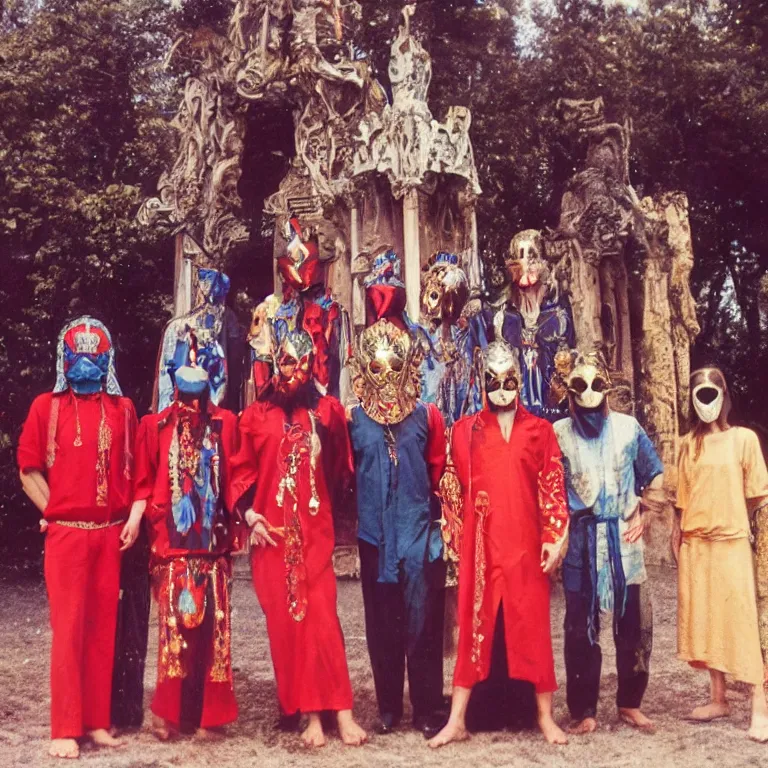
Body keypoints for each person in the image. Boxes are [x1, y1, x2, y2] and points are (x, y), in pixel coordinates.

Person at [428, 341, 569, 748]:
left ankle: (545, 716)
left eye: (510, 381)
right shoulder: (464, 430)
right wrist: (455, 541)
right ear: (483, 383)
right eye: (495, 382)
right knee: (475, 625)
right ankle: (457, 719)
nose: (503, 390)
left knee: (535, 626)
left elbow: (552, 484)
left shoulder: (540, 431)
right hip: (482, 544)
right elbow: (450, 485)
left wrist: (554, 536)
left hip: (526, 543)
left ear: (520, 381)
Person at [230, 328, 367, 748]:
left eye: (303, 364)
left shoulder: (327, 412)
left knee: (322, 617)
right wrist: (251, 516)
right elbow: (240, 472)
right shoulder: (254, 417)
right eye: (287, 363)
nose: (294, 372)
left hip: (314, 533)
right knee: (289, 625)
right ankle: (307, 714)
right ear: (274, 363)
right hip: (272, 539)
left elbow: (342, 471)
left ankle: (340, 712)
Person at [17, 316, 137, 759]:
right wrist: (52, 511)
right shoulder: (44, 408)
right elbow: (28, 468)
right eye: (78, 354)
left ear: (106, 359)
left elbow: (134, 471)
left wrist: (132, 518)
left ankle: (96, 721)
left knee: (103, 628)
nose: (85, 362)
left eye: (94, 355)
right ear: (63, 359)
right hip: (66, 536)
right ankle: (65, 727)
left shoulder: (123, 409)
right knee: (68, 629)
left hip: (109, 535)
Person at [347, 257, 448, 739]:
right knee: (381, 623)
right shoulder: (353, 420)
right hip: (374, 534)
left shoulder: (428, 417)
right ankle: (388, 706)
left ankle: (428, 708)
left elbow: (438, 472)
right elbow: (347, 472)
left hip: (416, 533)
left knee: (424, 623)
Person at [123, 356, 241, 740]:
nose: (191, 402)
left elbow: (235, 480)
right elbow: (143, 481)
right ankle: (167, 715)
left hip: (213, 544)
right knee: (175, 628)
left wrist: (244, 520)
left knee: (216, 629)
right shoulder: (154, 426)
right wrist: (136, 519)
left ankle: (210, 718)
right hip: (172, 544)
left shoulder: (226, 424)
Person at [554, 351, 664, 735]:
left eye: (596, 385)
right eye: (579, 386)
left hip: (623, 536)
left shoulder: (629, 427)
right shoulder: (558, 433)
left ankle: (630, 702)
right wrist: (558, 535)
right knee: (579, 627)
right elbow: (549, 490)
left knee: (633, 622)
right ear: (568, 392)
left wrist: (645, 515)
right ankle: (584, 709)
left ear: (607, 389)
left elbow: (655, 476)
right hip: (581, 539)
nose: (588, 394)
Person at [674, 366, 768, 742]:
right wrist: (678, 537)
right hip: (695, 544)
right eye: (700, 394)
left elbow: (758, 496)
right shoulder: (686, 444)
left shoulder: (743, 439)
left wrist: (734, 522)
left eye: (713, 393)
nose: (707, 400)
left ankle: (759, 702)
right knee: (707, 619)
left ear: (724, 395)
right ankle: (718, 697)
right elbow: (681, 500)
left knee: (740, 621)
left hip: (731, 542)